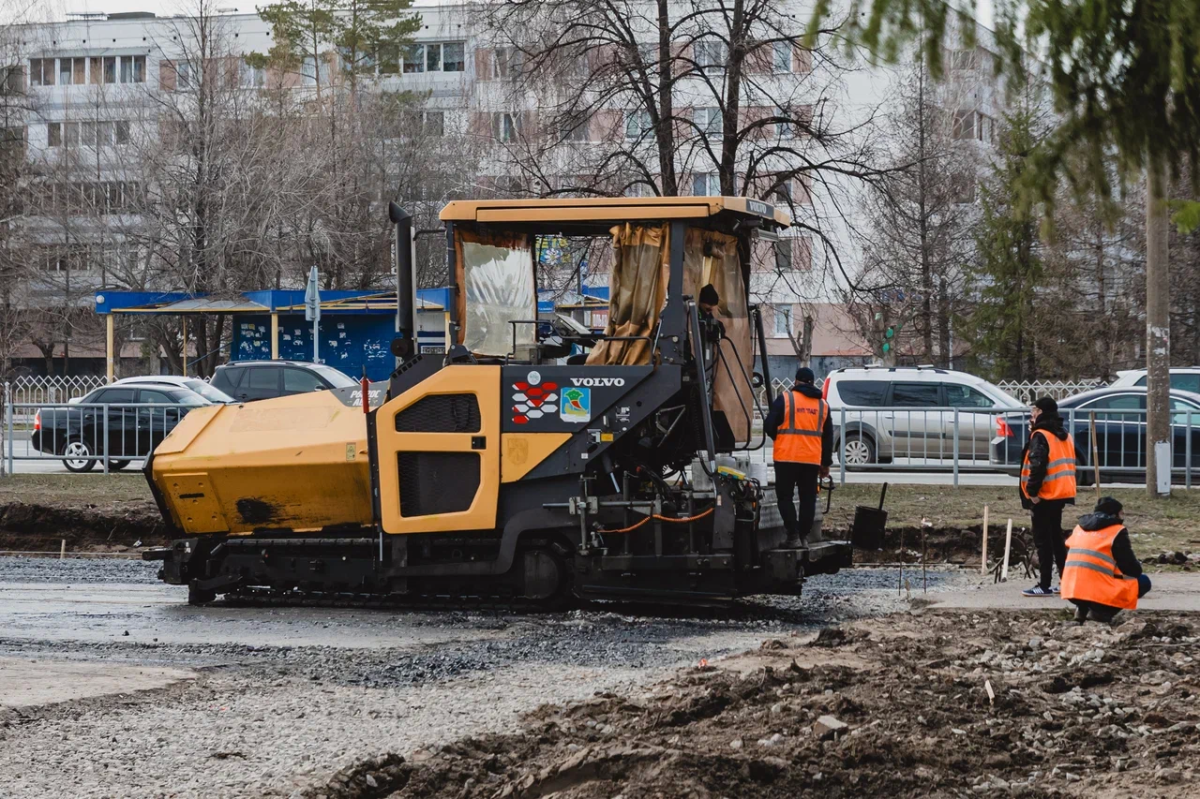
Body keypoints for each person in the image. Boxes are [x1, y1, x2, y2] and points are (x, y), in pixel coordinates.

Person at [765, 367, 833, 548]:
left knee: (785, 497)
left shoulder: (786, 400)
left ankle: (792, 535)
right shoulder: (823, 406)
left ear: (796, 382)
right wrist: (825, 463)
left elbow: (769, 424)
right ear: (812, 383)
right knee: (808, 498)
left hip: (786, 457)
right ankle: (803, 537)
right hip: (811, 460)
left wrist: (778, 438)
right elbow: (828, 438)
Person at [1020, 396, 1077, 597]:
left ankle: (1044, 584)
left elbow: (1037, 465)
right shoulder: (1063, 434)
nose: (1031, 415)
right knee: (1056, 539)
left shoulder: (1041, 435)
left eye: (1034, 411)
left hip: (1044, 496)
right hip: (1060, 494)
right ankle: (1065, 581)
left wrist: (1033, 493)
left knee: (1043, 541)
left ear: (1041, 413)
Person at [1063, 497, 1150, 623]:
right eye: (1121, 513)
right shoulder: (1116, 531)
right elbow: (1131, 569)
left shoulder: (1078, 529)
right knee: (1143, 582)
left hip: (1071, 590)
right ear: (1114, 514)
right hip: (1097, 592)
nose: (1122, 517)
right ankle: (1100, 613)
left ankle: (1082, 609)